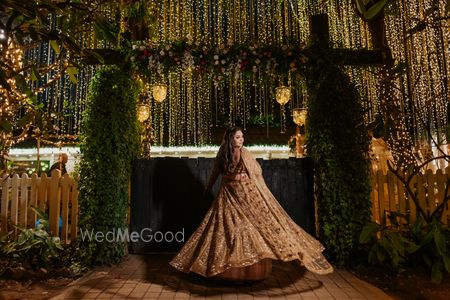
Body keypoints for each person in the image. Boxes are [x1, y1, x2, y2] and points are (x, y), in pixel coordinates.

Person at [169, 126, 333, 278]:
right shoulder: (224, 154)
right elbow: (215, 173)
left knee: (253, 225)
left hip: (245, 193)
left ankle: (250, 269)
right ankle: (225, 268)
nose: (241, 140)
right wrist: (209, 187)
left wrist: (243, 179)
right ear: (230, 139)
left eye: (242, 137)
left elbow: (255, 172)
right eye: (238, 137)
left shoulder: (243, 153)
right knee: (225, 226)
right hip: (229, 194)